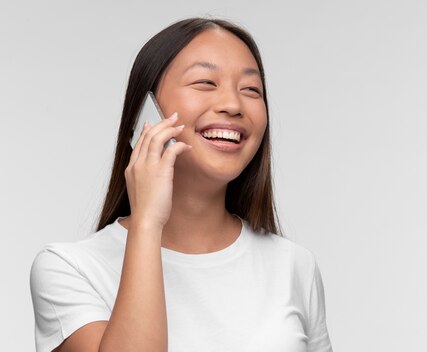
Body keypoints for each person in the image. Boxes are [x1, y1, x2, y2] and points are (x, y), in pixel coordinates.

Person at [29, 17, 333, 352]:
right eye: (205, 82)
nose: (233, 105)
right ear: (146, 113)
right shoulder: (70, 269)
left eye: (251, 90)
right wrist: (147, 222)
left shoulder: (294, 265)